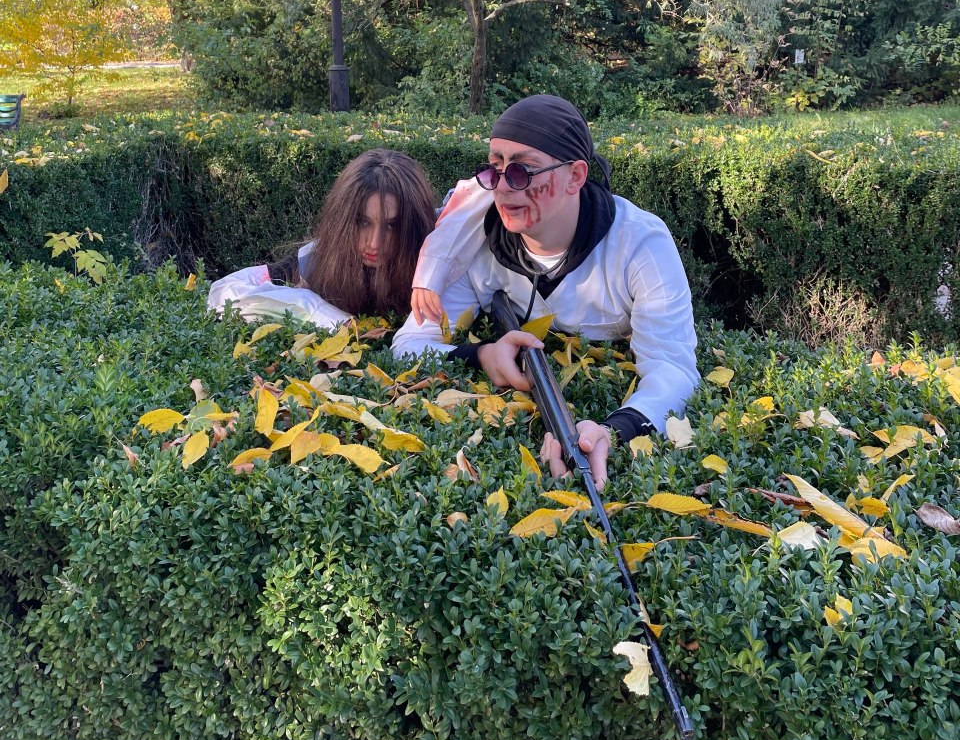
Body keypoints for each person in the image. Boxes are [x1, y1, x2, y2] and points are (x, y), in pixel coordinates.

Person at [393, 96, 699, 488]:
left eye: (522, 170)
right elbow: (410, 343)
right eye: (495, 168)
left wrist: (613, 430)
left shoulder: (641, 245)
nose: (503, 188)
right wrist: (482, 355)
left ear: (575, 176)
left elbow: (673, 367)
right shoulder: (475, 244)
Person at [208, 149, 437, 329]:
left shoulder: (439, 253)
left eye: (392, 226)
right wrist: (319, 310)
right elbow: (225, 291)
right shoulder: (314, 261)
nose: (374, 243)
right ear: (342, 220)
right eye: (363, 222)